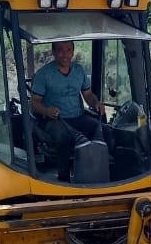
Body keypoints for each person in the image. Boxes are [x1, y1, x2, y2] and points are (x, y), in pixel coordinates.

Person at [30, 40, 112, 181]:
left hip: (78, 117)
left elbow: (88, 95)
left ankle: (103, 172)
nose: (65, 54)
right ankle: (64, 178)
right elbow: (34, 103)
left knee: (106, 131)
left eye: (68, 50)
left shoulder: (79, 71)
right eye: (60, 50)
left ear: (73, 52)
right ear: (54, 52)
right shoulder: (43, 74)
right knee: (64, 137)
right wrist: (47, 110)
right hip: (55, 119)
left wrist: (96, 103)